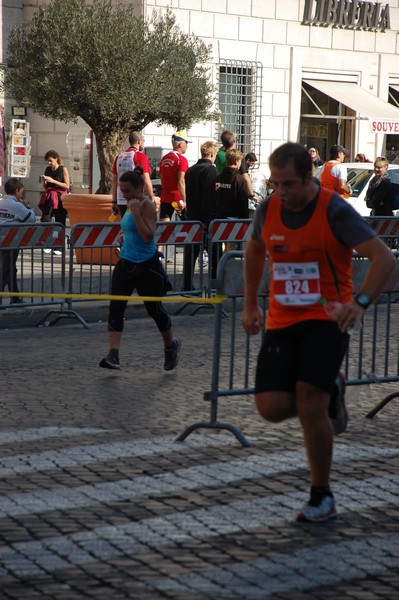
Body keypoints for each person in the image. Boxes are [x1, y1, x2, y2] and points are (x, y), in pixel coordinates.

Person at [242, 142, 396, 523]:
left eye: (289, 184)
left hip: (329, 318)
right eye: (275, 184)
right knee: (271, 407)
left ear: (308, 177)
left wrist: (359, 303)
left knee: (309, 401)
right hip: (282, 318)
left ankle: (321, 495)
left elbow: (383, 258)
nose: (282, 193)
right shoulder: (269, 207)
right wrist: (249, 304)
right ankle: (334, 390)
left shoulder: (334, 209)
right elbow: (254, 250)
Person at [99, 169, 181, 371]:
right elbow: (130, 228)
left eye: (128, 191)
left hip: (147, 266)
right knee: (116, 308)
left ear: (139, 188)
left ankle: (170, 346)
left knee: (155, 310)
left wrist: (136, 214)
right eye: (122, 191)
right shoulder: (129, 204)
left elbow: (147, 235)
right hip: (126, 263)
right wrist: (123, 234)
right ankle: (113, 354)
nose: (124, 195)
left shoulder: (146, 206)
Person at [183, 140, 218, 291]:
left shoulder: (190, 170)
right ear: (211, 154)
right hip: (205, 220)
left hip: (191, 217)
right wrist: (207, 219)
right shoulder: (210, 169)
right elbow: (208, 196)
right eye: (215, 154)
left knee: (190, 254)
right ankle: (215, 285)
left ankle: (186, 286)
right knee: (215, 254)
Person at [0, 178, 36, 303]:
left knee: (10, 268)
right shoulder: (17, 205)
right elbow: (30, 219)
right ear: (17, 191)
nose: (22, 194)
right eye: (21, 191)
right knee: (6, 269)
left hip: (3, 240)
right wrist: (29, 207)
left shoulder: (1, 202)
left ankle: (15, 297)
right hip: (11, 240)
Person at [111, 131, 158, 217]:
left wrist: (114, 201)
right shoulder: (140, 156)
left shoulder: (119, 156)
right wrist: (152, 198)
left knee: (126, 224)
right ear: (139, 141)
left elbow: (114, 181)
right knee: (137, 224)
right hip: (135, 199)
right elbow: (146, 179)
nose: (143, 143)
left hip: (121, 199)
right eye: (143, 140)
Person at [215, 130, 257, 202]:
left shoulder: (218, 154)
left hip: (220, 188)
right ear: (234, 141)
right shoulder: (238, 156)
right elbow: (245, 177)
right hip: (234, 191)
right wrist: (252, 195)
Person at [158, 131, 190, 223]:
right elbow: (181, 181)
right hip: (177, 197)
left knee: (164, 226)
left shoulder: (164, 158)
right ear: (180, 144)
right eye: (186, 143)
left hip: (165, 196)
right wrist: (184, 200)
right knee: (188, 225)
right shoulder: (181, 160)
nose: (187, 146)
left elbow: (161, 176)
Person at [38, 150, 70, 227]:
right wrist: (44, 182)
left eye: (50, 161)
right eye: (48, 161)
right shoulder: (47, 170)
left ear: (56, 159)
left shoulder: (63, 169)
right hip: (49, 196)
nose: (49, 163)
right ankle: (46, 235)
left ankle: (60, 236)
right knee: (45, 219)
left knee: (60, 219)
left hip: (59, 197)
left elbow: (67, 186)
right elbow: (46, 187)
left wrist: (53, 181)